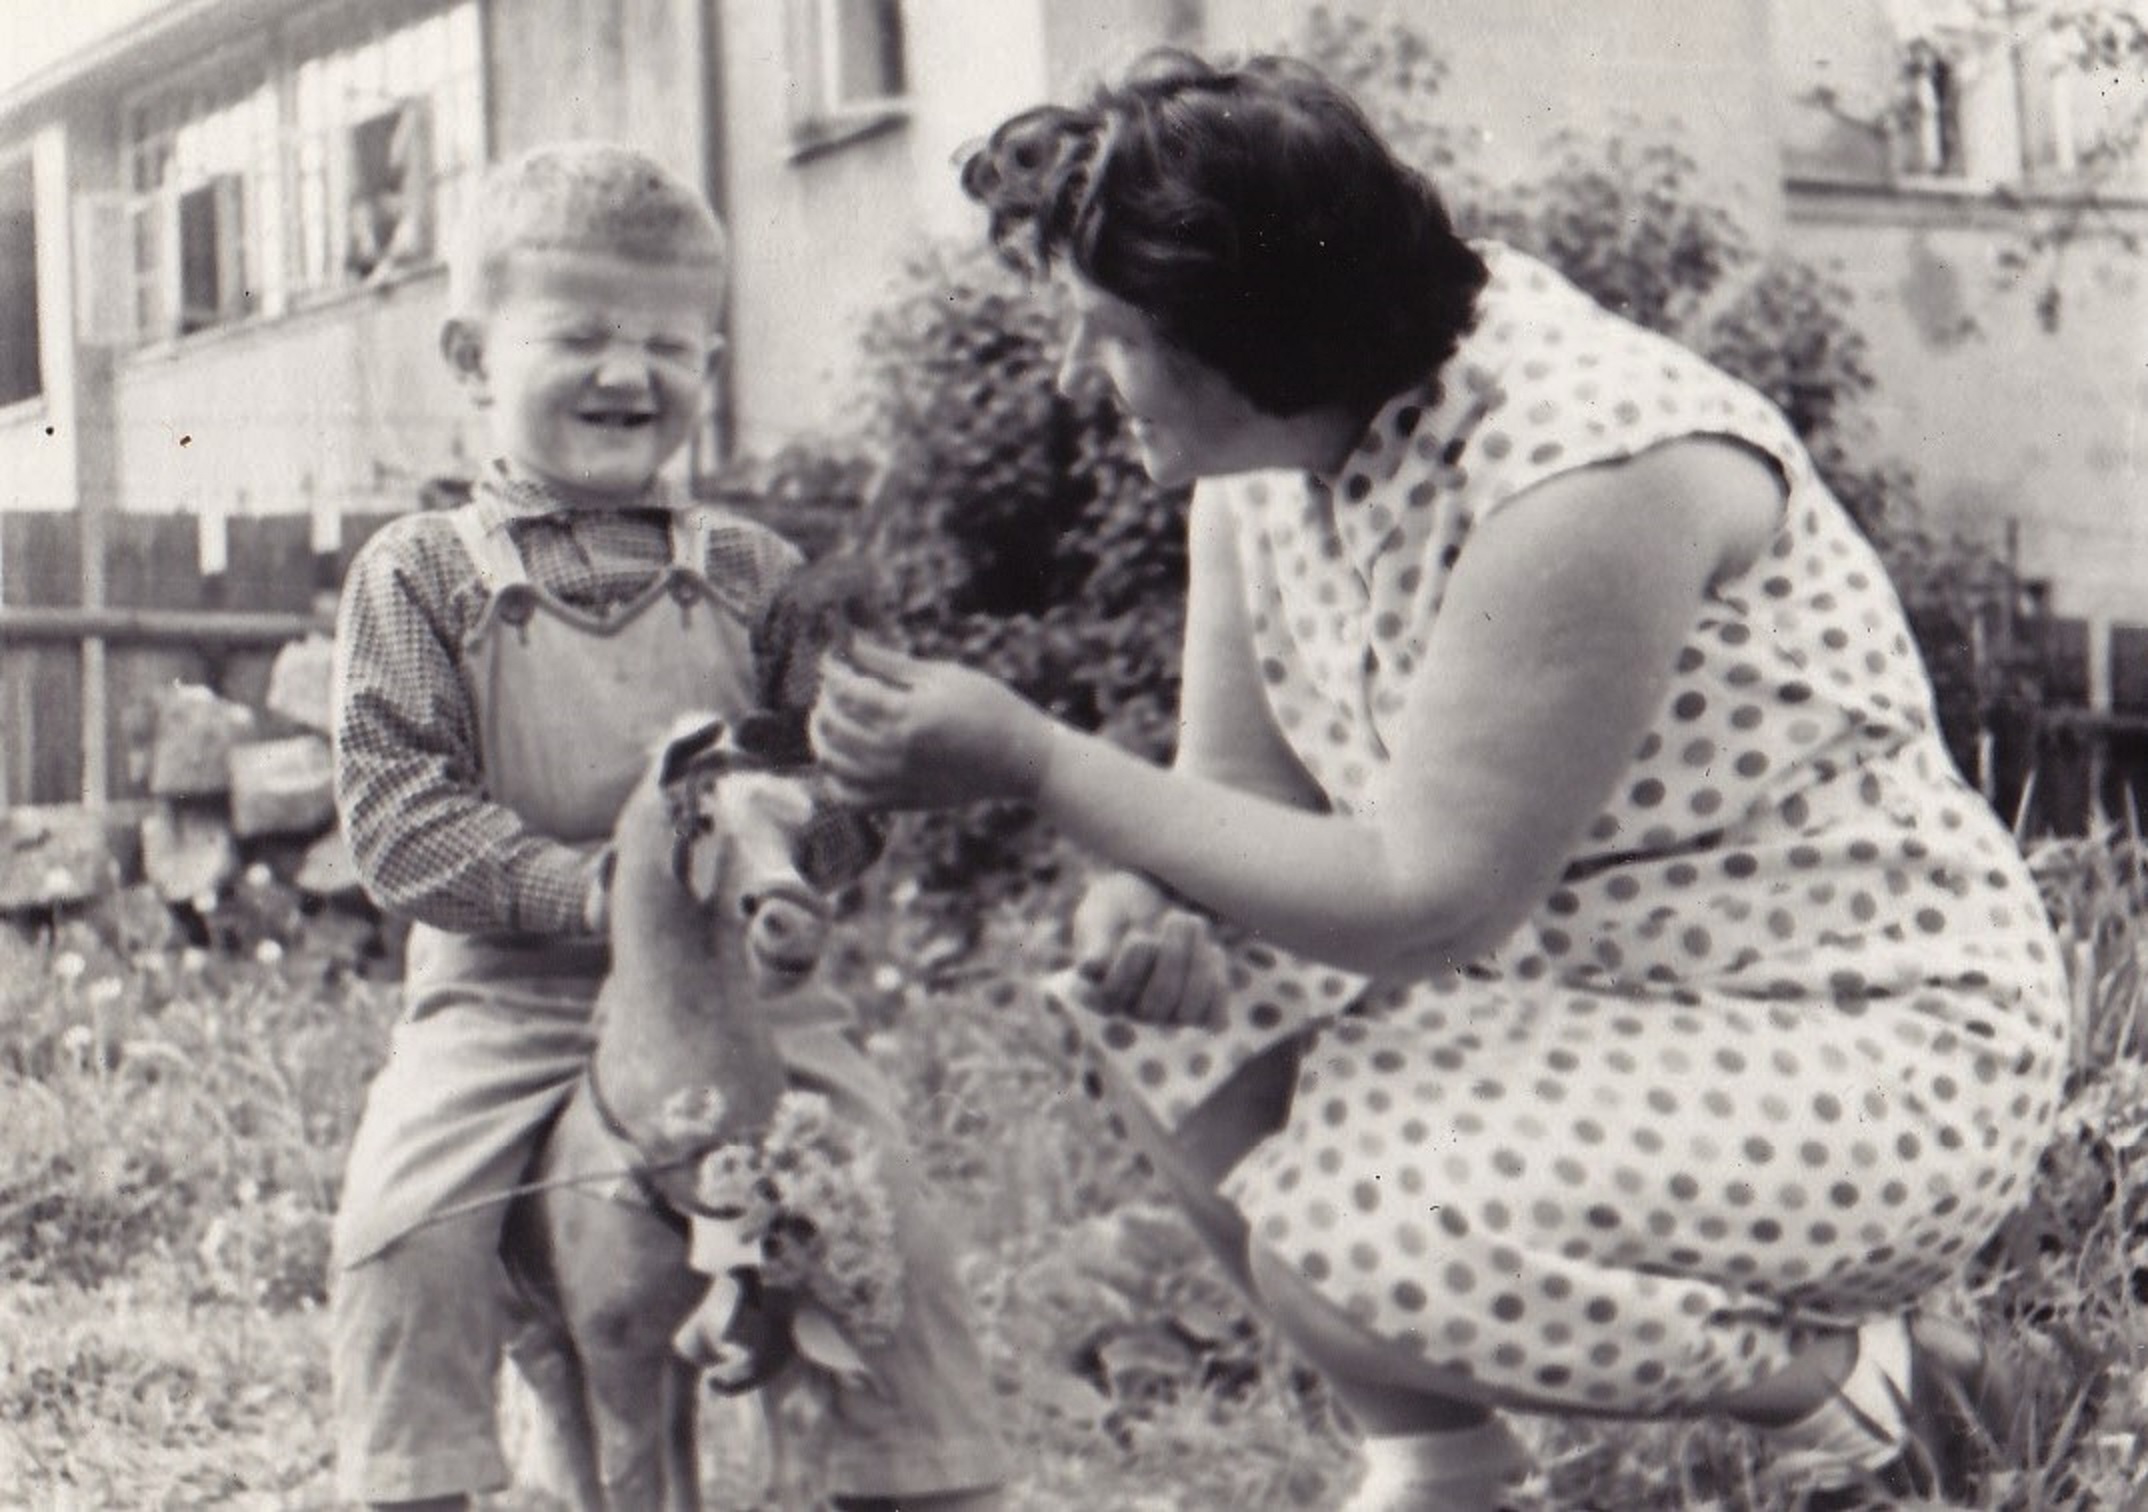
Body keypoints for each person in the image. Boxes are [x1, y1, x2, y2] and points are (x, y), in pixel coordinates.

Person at [808, 49, 2070, 1512]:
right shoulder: (1268, 455)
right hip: (1597, 1016)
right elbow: (1236, 793)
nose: (1074, 374)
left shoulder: (1590, 467)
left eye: (1112, 336)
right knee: (1163, 1020)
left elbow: (1429, 901)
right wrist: (1150, 902)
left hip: (1862, 1043)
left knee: (1349, 1250)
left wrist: (1033, 761)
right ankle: (1443, 1460)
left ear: (1246, 337)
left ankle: (1875, 1388)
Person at [328, 141, 1006, 1512]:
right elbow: (401, 818)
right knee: (403, 1230)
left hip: (742, 1003)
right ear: (470, 356)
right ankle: (415, 1481)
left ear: (712, 359)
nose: (627, 374)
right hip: (510, 1002)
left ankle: (921, 1478)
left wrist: (811, 862)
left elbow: (836, 782)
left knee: (884, 1211)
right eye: (579, 334)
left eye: (669, 345)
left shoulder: (759, 574)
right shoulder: (420, 575)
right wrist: (594, 892)